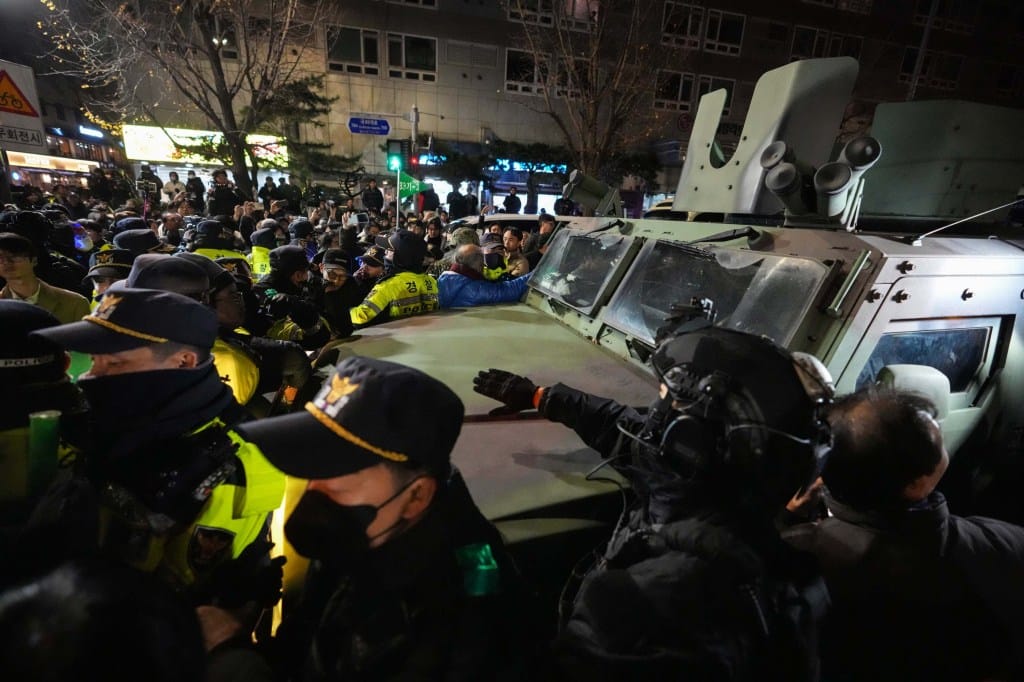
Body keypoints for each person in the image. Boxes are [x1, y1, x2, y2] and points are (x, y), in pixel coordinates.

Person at [473, 326, 833, 680]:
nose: (653, 418)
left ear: (688, 440)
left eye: (664, 404)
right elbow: (625, 432)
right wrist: (542, 397)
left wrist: (466, 543)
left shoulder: (653, 609)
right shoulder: (725, 497)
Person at [216, 356, 529, 680]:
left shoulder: (461, 621)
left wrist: (232, 658)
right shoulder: (371, 533)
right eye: (310, 468)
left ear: (417, 496)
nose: (312, 490)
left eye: (336, 476)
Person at [26, 289, 286, 599]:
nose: (90, 376)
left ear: (183, 361)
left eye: (115, 362)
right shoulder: (118, 420)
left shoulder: (234, 461)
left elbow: (181, 596)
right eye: (94, 361)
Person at [784, 386, 1024, 681]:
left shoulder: (794, 549)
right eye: (938, 440)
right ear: (917, 485)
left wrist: (786, 518)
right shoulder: (998, 549)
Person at [350, 231, 438, 327]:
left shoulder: (389, 285)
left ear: (400, 257)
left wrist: (344, 311)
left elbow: (361, 317)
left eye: (389, 250)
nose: (385, 253)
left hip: (399, 334)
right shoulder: (432, 280)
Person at [0, 233, 90, 324]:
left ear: (34, 260)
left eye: (14, 256)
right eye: (0, 258)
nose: (6, 262)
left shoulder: (75, 303)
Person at [253, 245, 330, 350]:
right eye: (306, 271)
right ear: (298, 275)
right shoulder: (268, 294)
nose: (308, 275)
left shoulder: (294, 284)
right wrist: (301, 307)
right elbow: (316, 336)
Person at [437, 244, 530, 308]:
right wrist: (535, 274)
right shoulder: (475, 290)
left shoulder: (443, 279)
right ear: (478, 265)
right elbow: (509, 290)